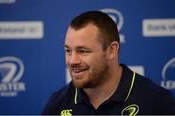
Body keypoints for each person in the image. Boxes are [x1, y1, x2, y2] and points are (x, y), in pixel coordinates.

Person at [42, 11, 175, 115]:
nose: (72, 61)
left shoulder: (156, 101)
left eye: (83, 51)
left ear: (112, 50)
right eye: (68, 51)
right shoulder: (57, 104)